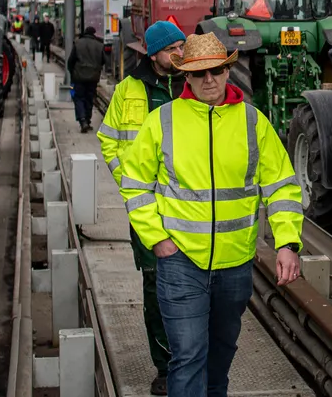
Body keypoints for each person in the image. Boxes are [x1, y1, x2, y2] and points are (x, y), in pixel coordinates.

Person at [117, 33, 304, 397]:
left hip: (235, 265)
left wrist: (287, 243)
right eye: (199, 72)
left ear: (228, 71)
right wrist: (158, 239)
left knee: (220, 357)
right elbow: (135, 184)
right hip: (181, 262)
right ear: (185, 75)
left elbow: (282, 186)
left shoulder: (253, 123)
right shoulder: (163, 121)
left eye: (216, 70)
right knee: (188, 357)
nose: (208, 79)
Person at [97, 20, 189, 395]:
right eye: (172, 49)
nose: (180, 54)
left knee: (192, 285)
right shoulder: (128, 90)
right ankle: (165, 367)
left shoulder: (192, 84)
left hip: (189, 207)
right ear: (154, 55)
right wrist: (131, 187)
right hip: (147, 209)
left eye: (182, 47)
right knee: (155, 285)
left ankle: (192, 359)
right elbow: (109, 140)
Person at [68, 26, 106, 133]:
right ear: (93, 34)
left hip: (79, 77)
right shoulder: (99, 45)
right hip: (93, 78)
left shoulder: (78, 43)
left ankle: (83, 120)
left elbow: (71, 61)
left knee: (79, 98)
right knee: (89, 99)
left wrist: (72, 73)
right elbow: (103, 60)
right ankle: (87, 121)